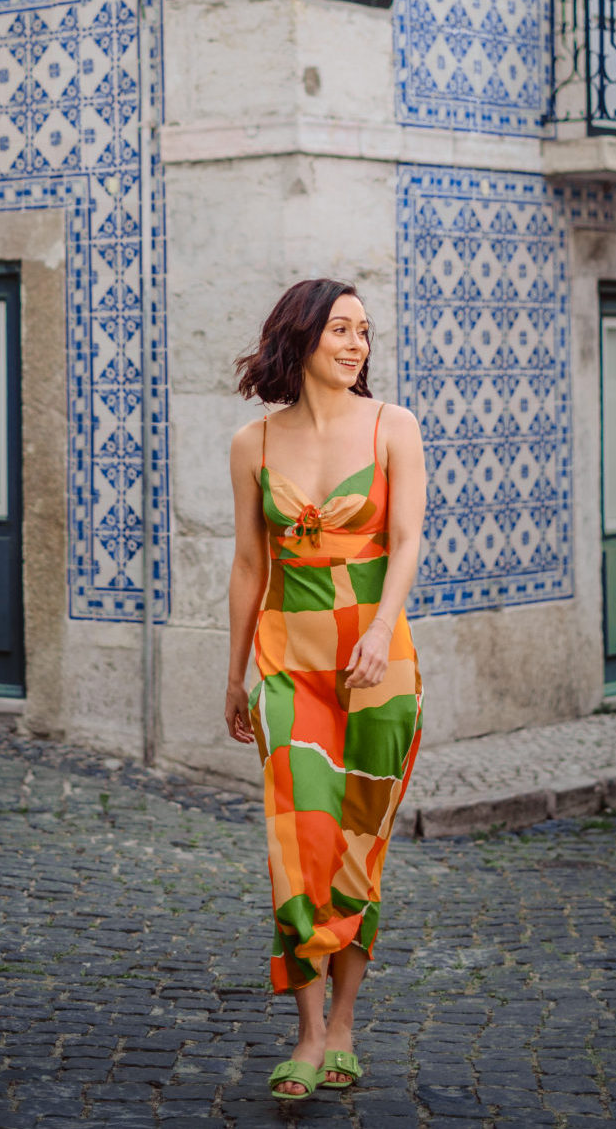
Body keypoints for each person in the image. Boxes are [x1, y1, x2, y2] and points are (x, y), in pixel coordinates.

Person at [224, 278, 425, 1102]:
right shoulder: (253, 444)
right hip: (286, 660)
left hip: (378, 666)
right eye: (340, 328)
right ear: (300, 337)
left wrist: (379, 630)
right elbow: (247, 564)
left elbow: (408, 537)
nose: (356, 344)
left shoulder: (393, 427)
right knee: (295, 841)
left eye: (365, 332)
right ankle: (307, 1035)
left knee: (355, 845)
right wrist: (233, 671)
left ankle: (344, 1024)